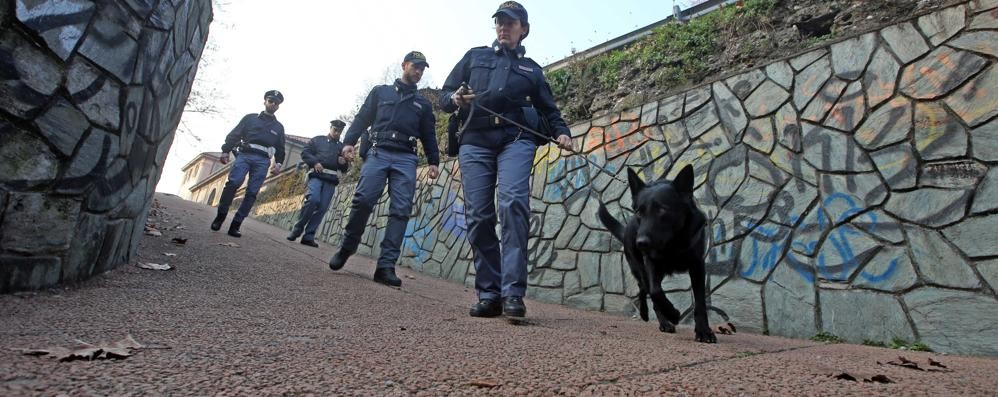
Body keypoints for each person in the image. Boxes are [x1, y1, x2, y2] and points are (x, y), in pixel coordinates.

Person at [439, 1, 572, 318]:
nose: (504, 27)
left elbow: (549, 110)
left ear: (523, 29)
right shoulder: (474, 56)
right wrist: (454, 98)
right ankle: (490, 293)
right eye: (500, 22)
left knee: (513, 203)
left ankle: (513, 293)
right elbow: (444, 96)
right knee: (479, 215)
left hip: (516, 139)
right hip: (475, 140)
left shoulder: (533, 70)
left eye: (511, 23)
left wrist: (563, 132)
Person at [327, 51, 441, 287]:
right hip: (378, 152)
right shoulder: (381, 92)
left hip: (406, 158)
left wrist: (433, 161)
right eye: (415, 67)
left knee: (401, 210)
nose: (418, 72)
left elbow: (429, 134)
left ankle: (386, 266)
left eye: (422, 69)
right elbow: (361, 118)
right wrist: (349, 142)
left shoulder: (423, 104)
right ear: (404, 65)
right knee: (363, 200)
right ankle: (348, 247)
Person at [210, 90, 287, 238]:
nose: (273, 104)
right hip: (245, 155)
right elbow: (235, 134)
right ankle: (220, 217)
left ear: (278, 106)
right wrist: (225, 150)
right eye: (270, 100)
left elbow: (281, 148)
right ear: (265, 101)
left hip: (263, 161)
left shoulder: (279, 127)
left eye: (276, 103)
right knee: (233, 183)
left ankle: (236, 225)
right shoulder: (250, 119)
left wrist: (278, 163)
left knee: (252, 192)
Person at [287, 120, 351, 247]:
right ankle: (298, 228)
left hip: (331, 179)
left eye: (339, 131)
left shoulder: (342, 147)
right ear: (330, 128)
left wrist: (343, 163)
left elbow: (344, 168)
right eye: (335, 129)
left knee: (322, 208)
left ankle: (309, 236)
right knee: (313, 200)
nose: (337, 132)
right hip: (316, 175)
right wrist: (315, 162)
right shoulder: (317, 140)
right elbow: (305, 152)